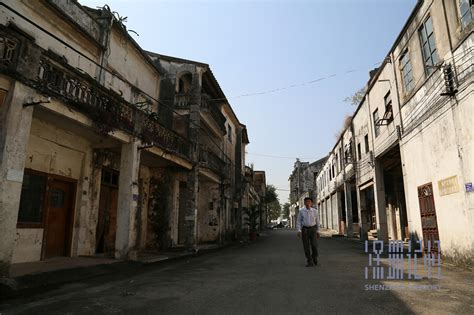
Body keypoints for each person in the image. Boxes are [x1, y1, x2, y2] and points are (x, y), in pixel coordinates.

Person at [296, 197, 320, 267]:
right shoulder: (301, 211)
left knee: (314, 245)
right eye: (306, 202)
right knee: (306, 247)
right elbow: (298, 221)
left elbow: (318, 222)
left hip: (313, 229)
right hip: (305, 230)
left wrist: (318, 231)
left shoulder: (315, 211)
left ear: (311, 203)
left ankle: (314, 257)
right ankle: (309, 261)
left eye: (309, 202)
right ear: (304, 203)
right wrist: (299, 231)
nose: (307, 203)